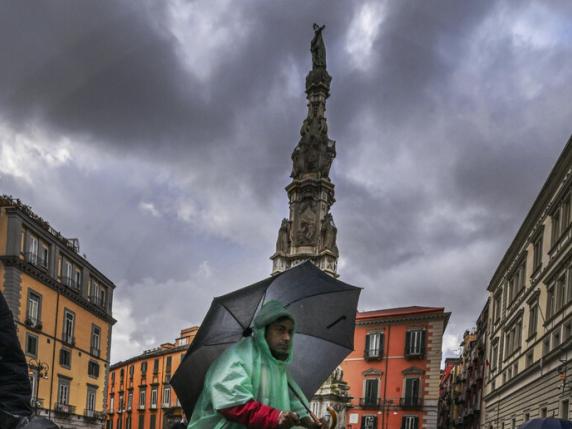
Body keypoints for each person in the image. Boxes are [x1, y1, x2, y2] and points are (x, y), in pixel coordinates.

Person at [188, 300, 327, 429]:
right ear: (264, 330)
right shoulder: (236, 356)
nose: (287, 338)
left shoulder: (278, 367)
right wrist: (275, 417)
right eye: (280, 329)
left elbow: (294, 403)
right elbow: (231, 402)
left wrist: (309, 422)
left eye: (290, 331)